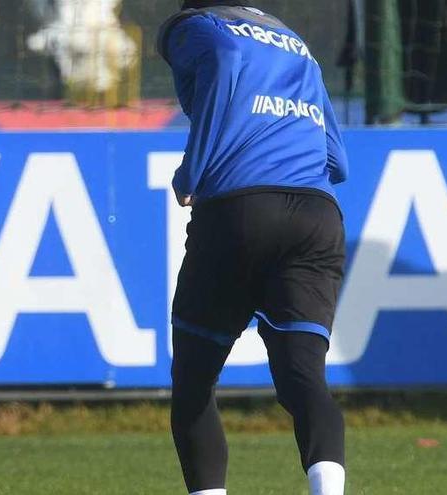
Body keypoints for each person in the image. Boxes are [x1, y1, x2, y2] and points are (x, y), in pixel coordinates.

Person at [157, 2, 349, 495]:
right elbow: (337, 157)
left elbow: (220, 57)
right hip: (317, 214)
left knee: (195, 383)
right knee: (303, 376)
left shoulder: (195, 25)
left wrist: (191, 170)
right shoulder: (290, 36)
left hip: (240, 209)